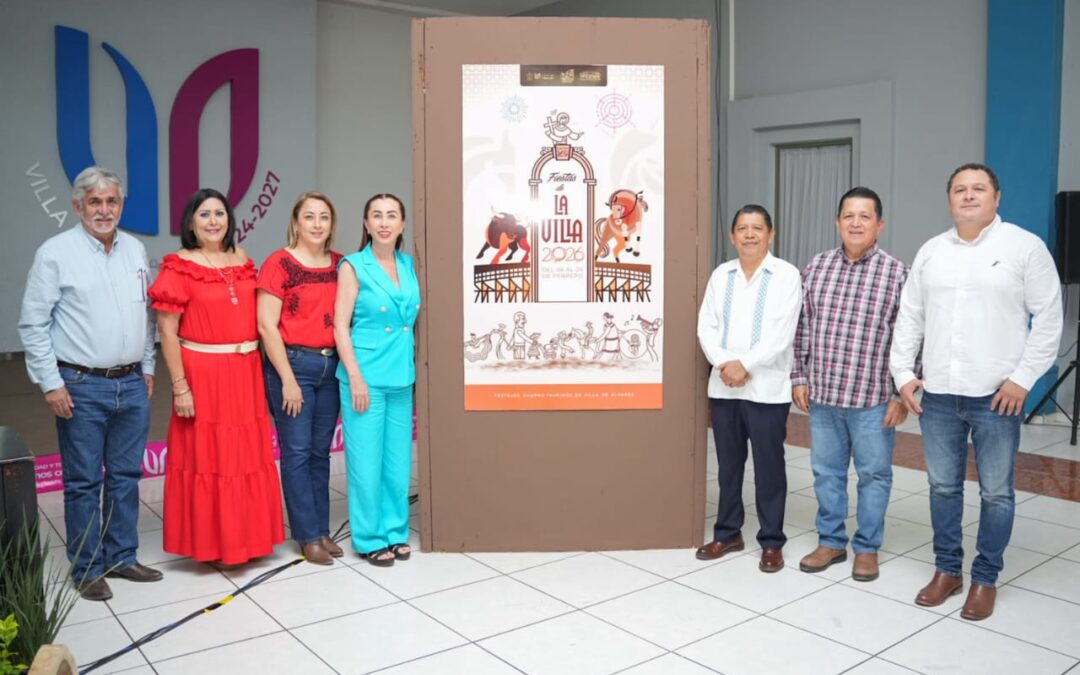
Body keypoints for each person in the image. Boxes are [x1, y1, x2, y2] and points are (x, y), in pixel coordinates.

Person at [891, 163, 1062, 620]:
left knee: (996, 493)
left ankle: (985, 578)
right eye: (960, 189)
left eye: (978, 189)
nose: (968, 196)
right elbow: (910, 316)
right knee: (942, 487)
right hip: (938, 395)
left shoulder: (1024, 247)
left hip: (997, 395)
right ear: (949, 199)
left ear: (996, 197)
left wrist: (1023, 378)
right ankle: (948, 570)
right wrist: (902, 373)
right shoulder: (931, 251)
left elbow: (1049, 317)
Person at [18, 166, 163, 601]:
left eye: (111, 201)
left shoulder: (135, 249)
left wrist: (148, 366)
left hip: (131, 383)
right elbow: (33, 324)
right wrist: (50, 383)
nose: (104, 210)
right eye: (94, 202)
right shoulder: (55, 253)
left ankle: (121, 556)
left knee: (125, 476)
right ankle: (87, 568)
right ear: (77, 205)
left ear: (121, 205)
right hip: (80, 385)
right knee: (83, 482)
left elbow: (146, 316)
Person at [149, 188, 285, 566]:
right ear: (191, 222)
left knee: (245, 457)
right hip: (203, 374)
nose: (213, 221)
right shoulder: (178, 266)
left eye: (219, 213)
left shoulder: (242, 258)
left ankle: (247, 541)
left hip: (245, 372)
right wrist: (180, 387)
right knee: (210, 458)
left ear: (229, 219)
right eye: (204, 214)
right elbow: (167, 333)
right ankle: (214, 545)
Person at [791, 187, 909, 582]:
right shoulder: (817, 266)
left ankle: (868, 547)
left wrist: (900, 394)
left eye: (864, 216)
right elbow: (801, 326)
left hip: (873, 399)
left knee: (874, 475)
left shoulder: (897, 273)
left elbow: (912, 337)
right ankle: (831, 541)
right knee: (827, 472)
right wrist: (799, 376)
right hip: (824, 396)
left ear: (880, 224)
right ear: (838, 222)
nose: (856, 223)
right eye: (848, 216)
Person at [696, 205, 802, 572]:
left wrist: (746, 365)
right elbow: (706, 326)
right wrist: (725, 364)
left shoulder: (786, 275)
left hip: (767, 389)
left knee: (769, 466)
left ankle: (771, 541)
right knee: (728, 465)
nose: (750, 234)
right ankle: (728, 533)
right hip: (724, 386)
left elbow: (782, 334)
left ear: (771, 234)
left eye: (757, 228)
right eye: (742, 228)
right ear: (732, 236)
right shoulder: (721, 275)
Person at [257, 192, 344, 566]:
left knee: (320, 452)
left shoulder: (340, 264)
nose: (317, 224)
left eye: (324, 217)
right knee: (296, 453)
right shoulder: (279, 263)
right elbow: (266, 326)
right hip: (293, 366)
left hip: (331, 367)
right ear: (295, 222)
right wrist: (288, 380)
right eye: (309, 217)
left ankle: (321, 529)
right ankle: (306, 535)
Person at [334, 193, 420, 566]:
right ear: (366, 224)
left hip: (401, 374)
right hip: (365, 376)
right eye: (377, 216)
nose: (384, 222)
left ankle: (396, 530)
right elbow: (340, 326)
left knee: (397, 464)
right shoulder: (353, 266)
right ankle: (369, 537)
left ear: (402, 224)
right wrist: (355, 376)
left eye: (392, 215)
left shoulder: (408, 264)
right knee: (366, 465)